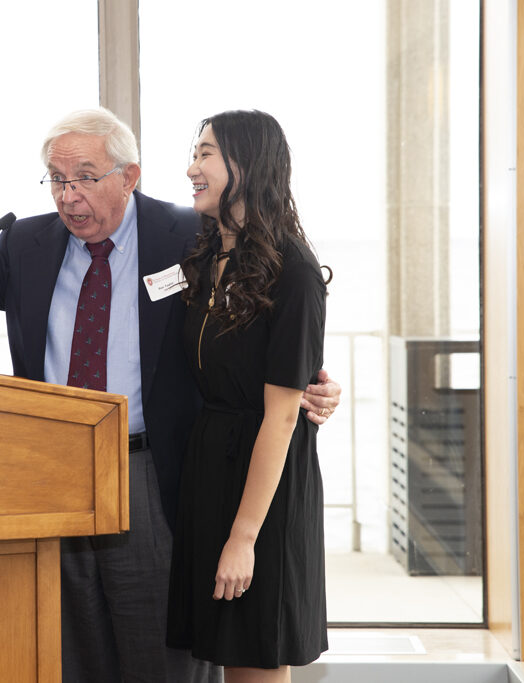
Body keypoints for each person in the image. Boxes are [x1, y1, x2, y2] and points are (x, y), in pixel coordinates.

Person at [0, 107, 340, 683]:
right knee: (68, 650)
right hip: (51, 472)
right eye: (57, 179)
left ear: (128, 176)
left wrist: (314, 384)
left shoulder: (189, 235)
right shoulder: (28, 244)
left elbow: (258, 318)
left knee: (163, 656)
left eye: (85, 177)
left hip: (154, 473)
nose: (68, 195)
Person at [166, 110, 329, 683]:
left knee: (257, 655)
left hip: (264, 488)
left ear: (246, 163)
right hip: (211, 466)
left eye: (206, 153)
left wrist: (244, 537)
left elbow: (283, 418)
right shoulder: (210, 257)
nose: (192, 167)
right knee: (228, 651)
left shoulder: (295, 272)